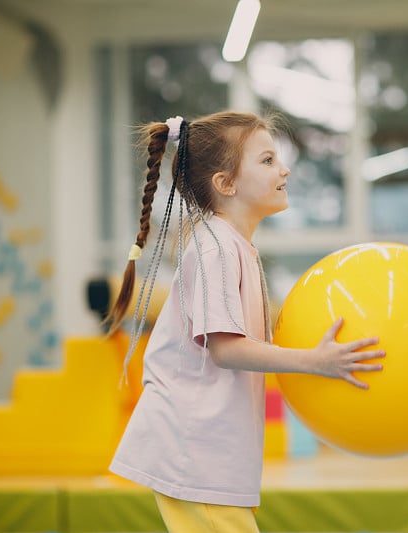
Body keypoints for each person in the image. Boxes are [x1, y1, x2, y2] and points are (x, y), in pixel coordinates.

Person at [105, 111, 385, 533]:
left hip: (208, 453)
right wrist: (317, 361)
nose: (284, 169)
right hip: (192, 452)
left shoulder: (233, 246)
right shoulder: (215, 247)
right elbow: (227, 348)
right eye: (268, 160)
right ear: (226, 184)